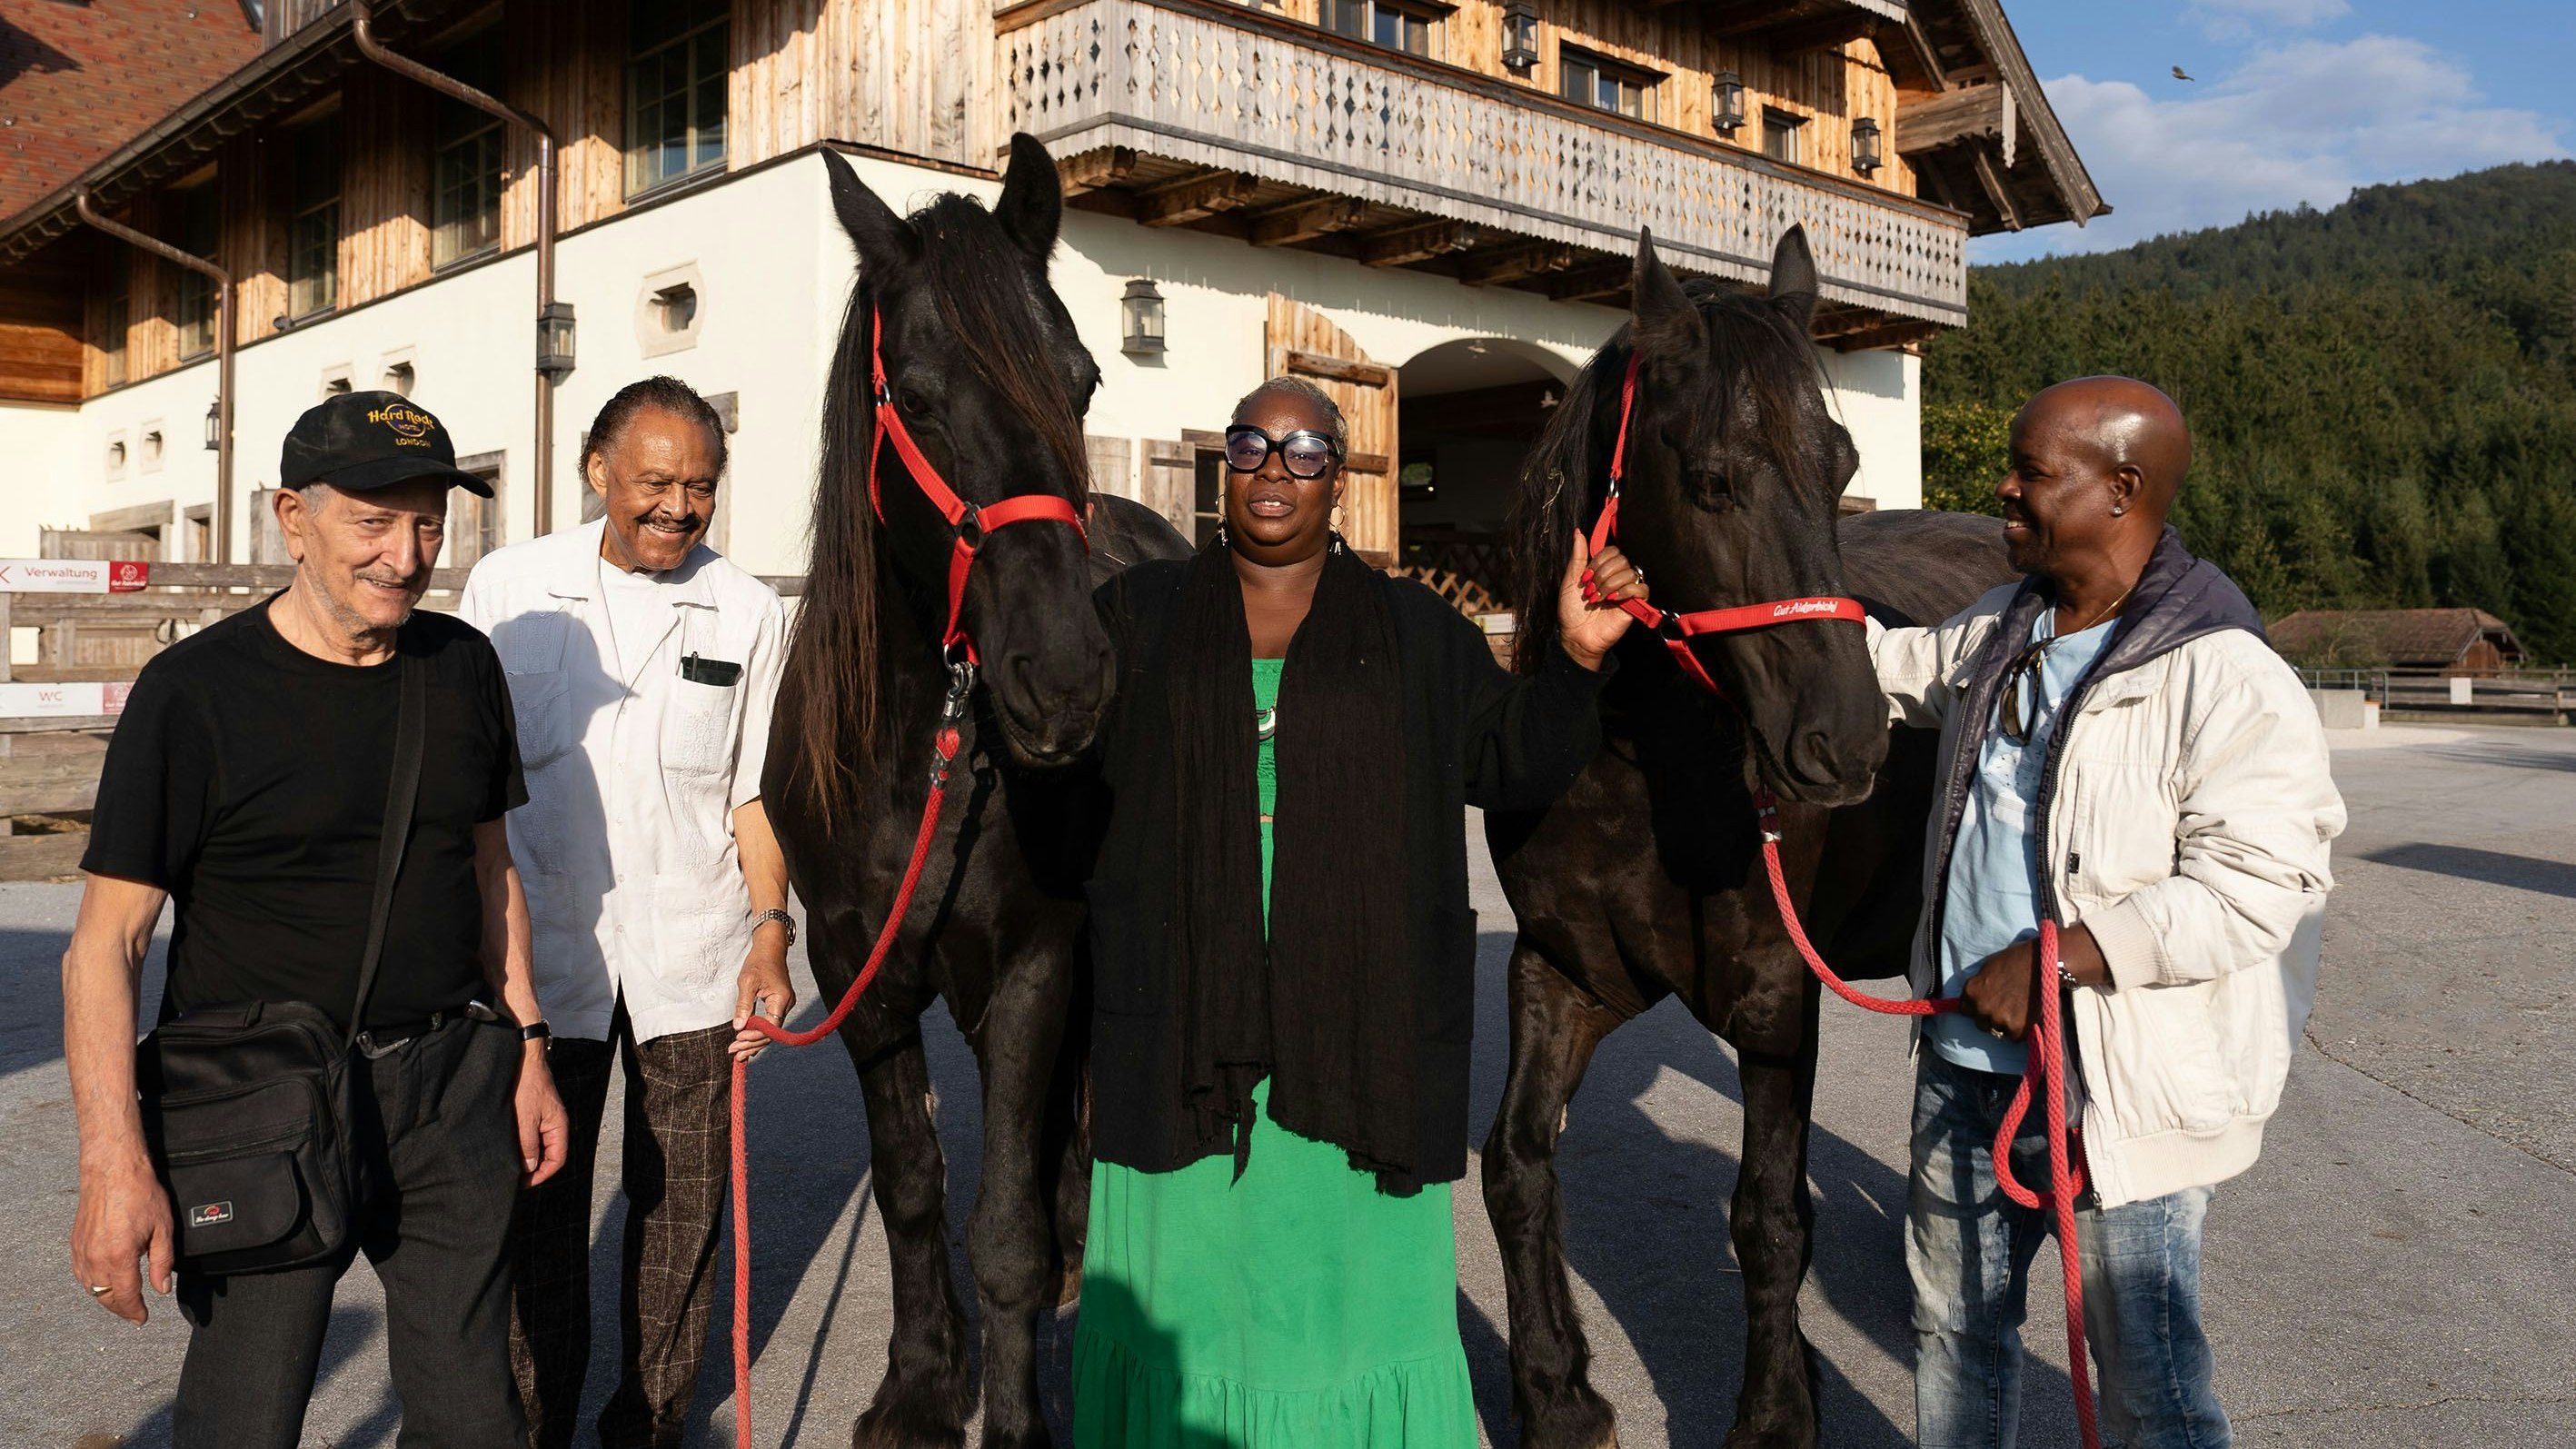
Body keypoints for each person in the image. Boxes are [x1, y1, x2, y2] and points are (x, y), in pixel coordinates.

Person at [1074, 376, 1648, 1445]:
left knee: (1337, 1275)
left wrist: (1575, 658)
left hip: (1357, 1014)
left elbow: (1509, 758)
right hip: (1179, 1005)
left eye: (1303, 451)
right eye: (1251, 444)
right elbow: (1060, 760)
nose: (1274, 469)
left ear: (1337, 479)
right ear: (1224, 468)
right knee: (1191, 1264)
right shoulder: (1138, 615)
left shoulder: (1413, 628)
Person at [64, 391, 567, 1446]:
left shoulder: (461, 665)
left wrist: (527, 1043)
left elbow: (489, 870)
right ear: (293, 518)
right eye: (374, 521)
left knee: (478, 1418)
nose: (407, 554)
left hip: (448, 1090)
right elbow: (106, 944)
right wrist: (114, 1161)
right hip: (263, 1103)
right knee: (243, 1420)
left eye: (428, 522)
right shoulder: (193, 694)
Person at [1870, 377, 2346, 1449]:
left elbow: (2257, 883)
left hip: (2119, 1090)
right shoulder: (2000, 626)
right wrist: (1708, 615)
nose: (2003, 487)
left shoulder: (2228, 675)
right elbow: (1881, 666)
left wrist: (2063, 954)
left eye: (2031, 471)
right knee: (1955, 1334)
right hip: (1964, 1063)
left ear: (2121, 490)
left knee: (2149, 1383)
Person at [459, 376, 791, 1449]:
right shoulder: (509, 588)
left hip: (692, 957)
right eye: (656, 481)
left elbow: (755, 794)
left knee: (681, 1212)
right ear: (598, 470)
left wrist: (772, 932)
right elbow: (466, 793)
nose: (678, 507)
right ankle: (533, 1427)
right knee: (537, 1208)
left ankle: (647, 1424)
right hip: (537, 963)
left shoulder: (749, 610)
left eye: (701, 485)